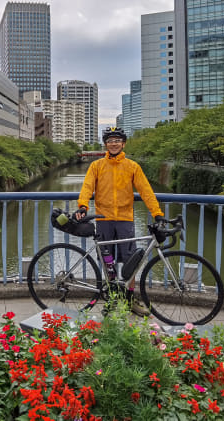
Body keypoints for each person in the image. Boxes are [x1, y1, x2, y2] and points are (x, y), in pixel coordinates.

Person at [75, 126, 165, 315]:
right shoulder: (97, 165)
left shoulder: (132, 166)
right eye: (110, 141)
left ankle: (130, 299)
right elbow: (87, 187)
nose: (113, 143)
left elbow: (146, 191)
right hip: (103, 219)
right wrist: (83, 205)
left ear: (123, 143)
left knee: (130, 262)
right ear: (105, 144)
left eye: (117, 140)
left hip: (125, 220)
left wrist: (157, 214)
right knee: (108, 262)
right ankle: (112, 298)